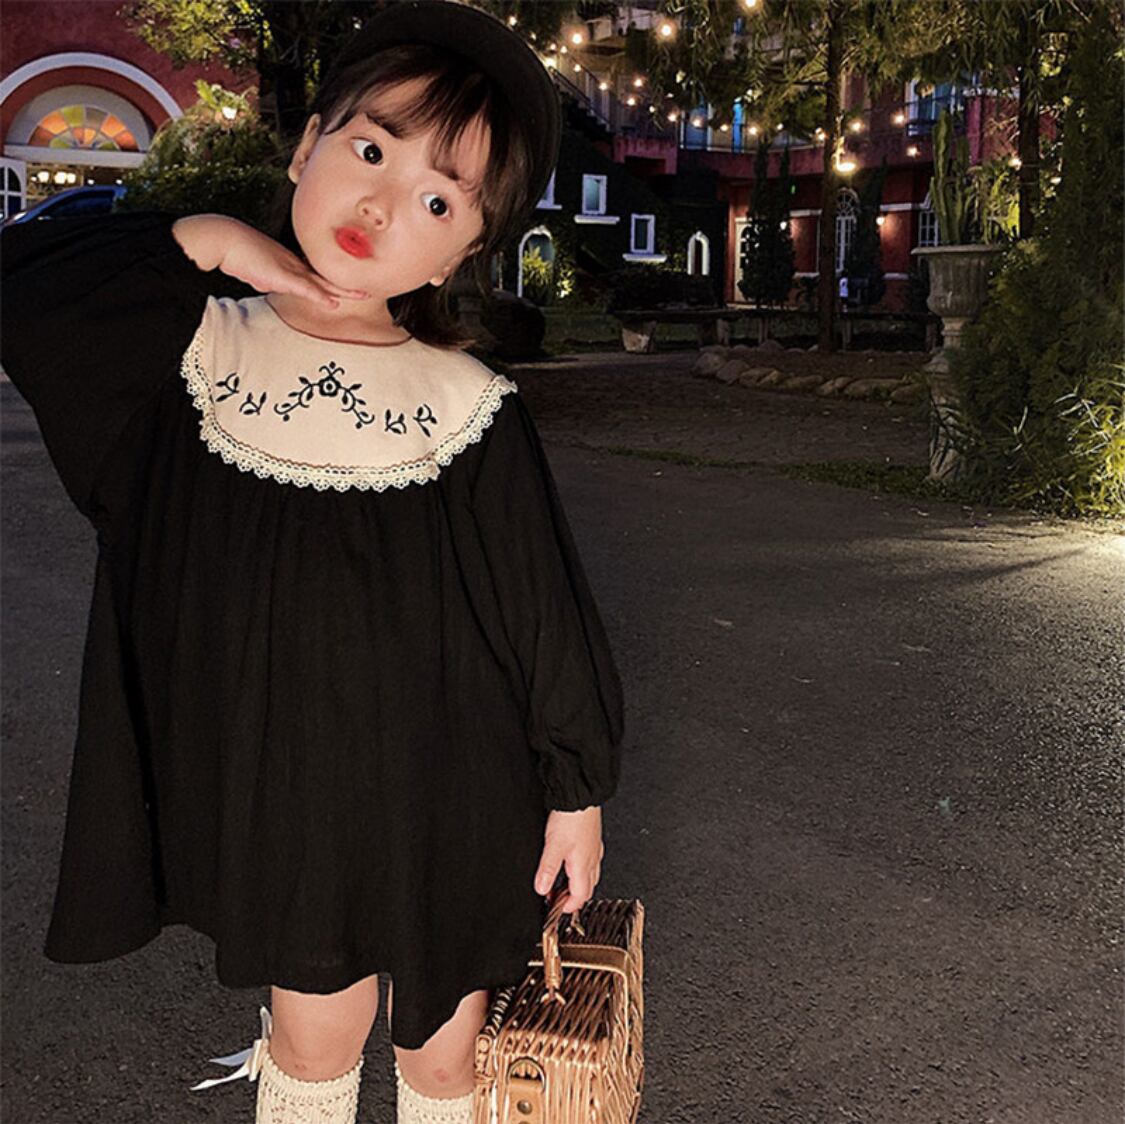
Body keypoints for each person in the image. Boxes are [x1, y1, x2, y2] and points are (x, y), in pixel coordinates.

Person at [0, 2, 625, 1122]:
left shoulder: (468, 403)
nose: (383, 205)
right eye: (371, 150)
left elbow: (541, 612)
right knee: (314, 1034)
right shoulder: (201, 350)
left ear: (466, 248)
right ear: (307, 147)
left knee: (442, 1056)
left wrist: (575, 794)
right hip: (291, 798)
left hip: (456, 791)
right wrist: (208, 241)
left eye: (439, 199)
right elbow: (30, 286)